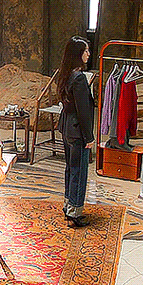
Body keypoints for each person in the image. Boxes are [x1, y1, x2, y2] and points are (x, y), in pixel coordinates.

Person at [57, 36, 94, 228]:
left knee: (71, 169)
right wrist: (89, 137)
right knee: (79, 172)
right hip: (77, 130)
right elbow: (83, 111)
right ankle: (75, 212)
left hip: (67, 127)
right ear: (78, 54)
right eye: (85, 50)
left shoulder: (66, 74)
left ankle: (68, 205)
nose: (88, 54)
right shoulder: (79, 77)